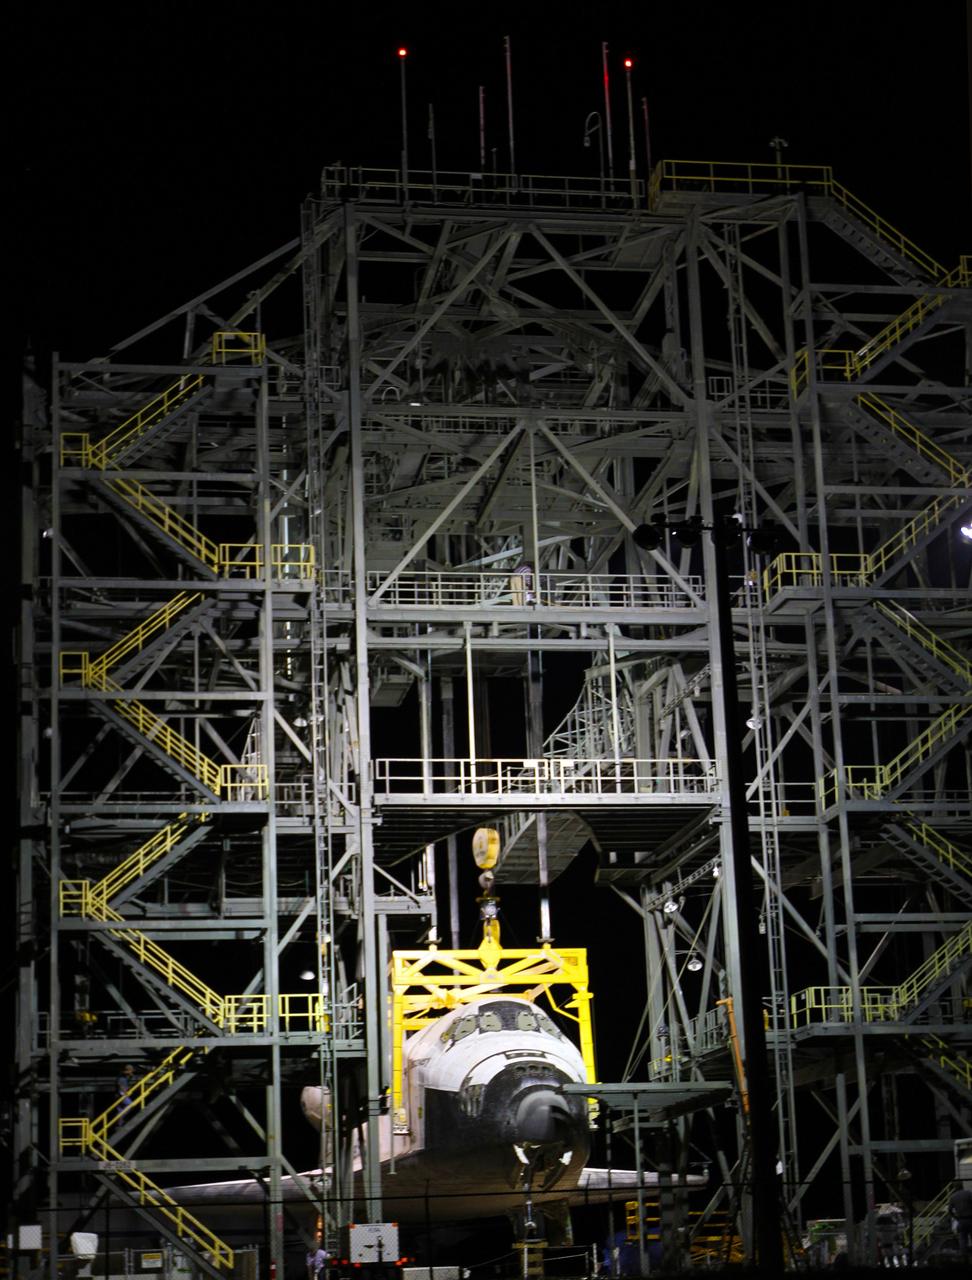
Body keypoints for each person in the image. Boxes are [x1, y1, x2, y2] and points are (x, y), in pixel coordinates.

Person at [949, 1184, 972, 1256]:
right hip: (970, 1219)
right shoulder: (969, 1193)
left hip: (961, 1220)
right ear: (962, 1186)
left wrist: (956, 1218)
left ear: (955, 1188)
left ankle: (964, 1257)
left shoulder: (953, 1197)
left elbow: (949, 1210)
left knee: (962, 1239)